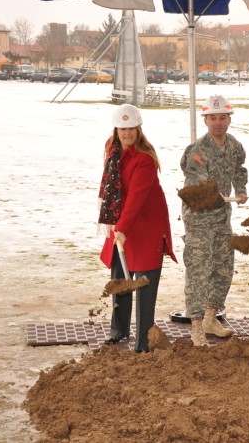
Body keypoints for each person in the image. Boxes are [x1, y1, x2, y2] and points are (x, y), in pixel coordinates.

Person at [99, 104, 177, 353]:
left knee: (143, 287)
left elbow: (136, 198)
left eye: (131, 128)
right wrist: (117, 227)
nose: (126, 133)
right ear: (116, 129)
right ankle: (118, 329)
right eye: (122, 128)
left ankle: (143, 341)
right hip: (121, 224)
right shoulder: (111, 149)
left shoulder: (145, 159)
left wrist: (120, 229)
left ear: (138, 129)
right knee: (120, 280)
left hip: (145, 227)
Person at [180, 95, 248, 347]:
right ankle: (196, 326)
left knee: (223, 268)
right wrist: (212, 194)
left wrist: (240, 190)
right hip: (198, 220)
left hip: (221, 219)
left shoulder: (234, 146)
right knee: (198, 271)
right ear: (205, 120)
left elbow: (240, 168)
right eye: (213, 118)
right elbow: (193, 182)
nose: (218, 123)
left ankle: (211, 316)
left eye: (222, 118)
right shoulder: (198, 151)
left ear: (229, 119)